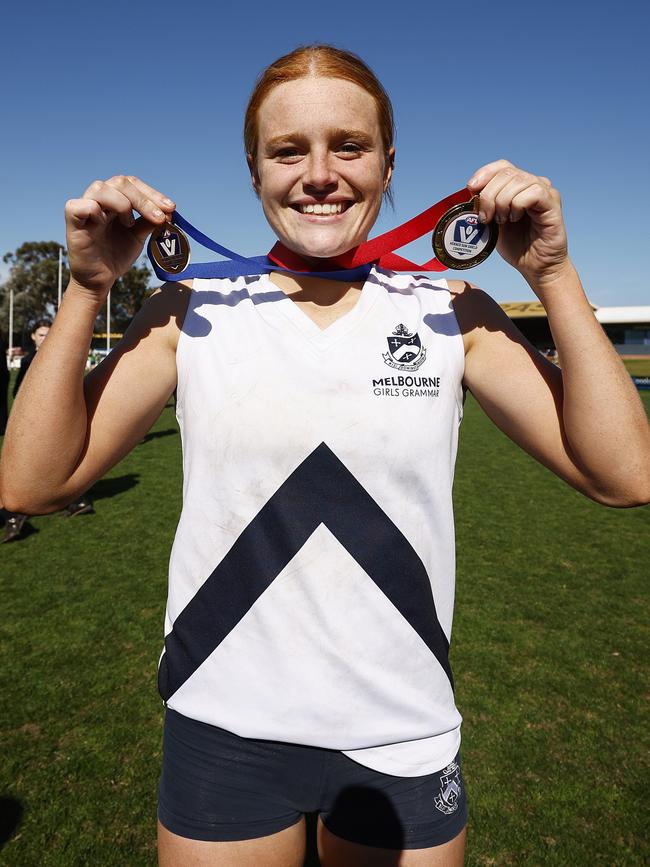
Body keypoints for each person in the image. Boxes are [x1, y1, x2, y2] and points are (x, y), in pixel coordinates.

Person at [1, 44, 649, 867]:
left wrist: (554, 276)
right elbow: (33, 480)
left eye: (348, 145)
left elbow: (625, 475)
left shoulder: (453, 309)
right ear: (253, 170)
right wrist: (88, 287)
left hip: (401, 727)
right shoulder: (190, 308)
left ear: (388, 162)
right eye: (287, 150)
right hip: (223, 723)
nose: (319, 174)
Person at [3, 318, 93, 542]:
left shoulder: (61, 359)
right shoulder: (28, 361)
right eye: (41, 334)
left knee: (53, 461)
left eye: (48, 333)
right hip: (33, 421)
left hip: (56, 421)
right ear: (33, 336)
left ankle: (17, 515)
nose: (45, 338)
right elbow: (18, 390)